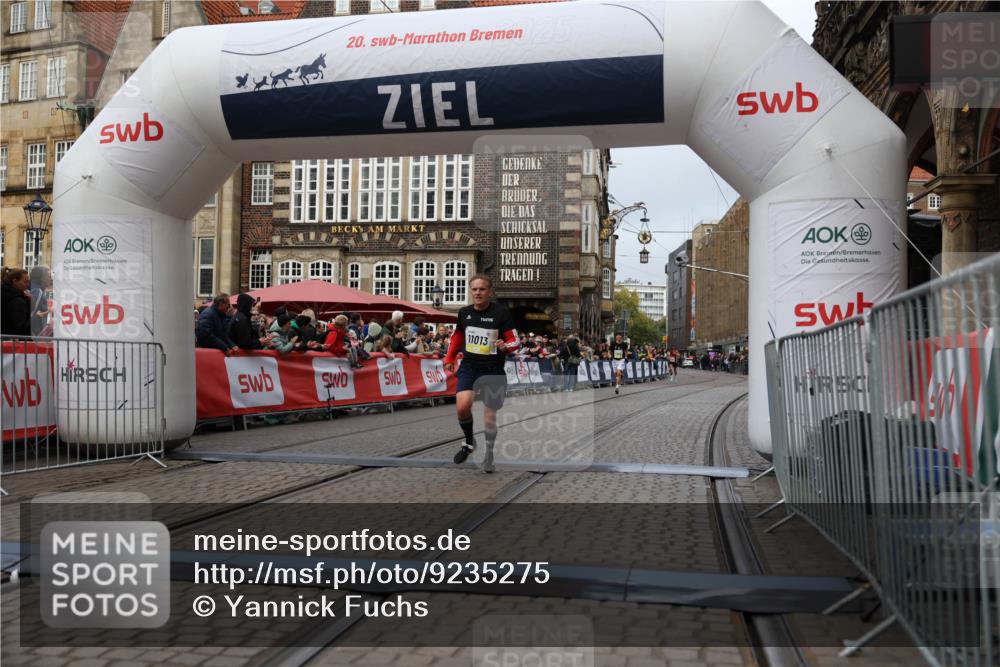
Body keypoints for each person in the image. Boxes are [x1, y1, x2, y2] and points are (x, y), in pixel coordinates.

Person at [444, 275, 519, 473]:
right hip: (470, 366)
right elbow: (457, 336)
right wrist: (449, 358)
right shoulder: (464, 313)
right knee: (462, 406)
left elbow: (515, 341)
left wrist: (505, 346)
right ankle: (469, 443)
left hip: (493, 370)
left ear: (490, 292)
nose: (478, 293)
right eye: (474, 289)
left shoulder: (501, 313)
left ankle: (489, 454)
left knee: (489, 418)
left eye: (482, 289)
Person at [1, 268, 32, 337]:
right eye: (25, 282)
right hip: (15, 343)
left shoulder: (5, 293)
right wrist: (36, 317)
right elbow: (22, 328)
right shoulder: (17, 301)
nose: (27, 284)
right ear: (15, 281)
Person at [28, 266, 52, 337]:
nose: (51, 279)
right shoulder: (38, 291)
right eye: (48, 276)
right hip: (34, 335)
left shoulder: (34, 288)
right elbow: (33, 314)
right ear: (42, 278)